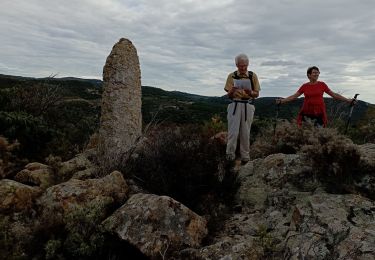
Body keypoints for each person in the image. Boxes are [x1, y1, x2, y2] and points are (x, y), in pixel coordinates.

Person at [276, 66, 355, 127]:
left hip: (319, 113)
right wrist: (282, 101)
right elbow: (294, 96)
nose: (316, 74)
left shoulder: (322, 85)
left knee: (319, 133)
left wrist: (348, 100)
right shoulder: (304, 86)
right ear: (309, 75)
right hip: (307, 113)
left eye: (317, 72)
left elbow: (334, 95)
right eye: (314, 72)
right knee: (305, 133)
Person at [224, 53, 260, 164]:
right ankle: (230, 156)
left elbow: (257, 94)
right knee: (233, 132)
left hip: (247, 104)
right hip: (234, 104)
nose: (243, 68)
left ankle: (245, 157)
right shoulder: (232, 76)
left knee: (246, 132)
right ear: (236, 65)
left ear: (248, 64)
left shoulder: (252, 76)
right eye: (241, 66)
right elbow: (228, 95)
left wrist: (251, 92)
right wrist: (232, 90)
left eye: (245, 65)